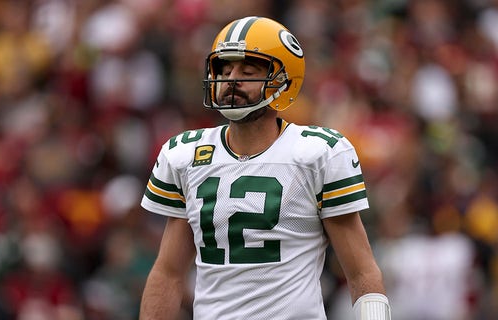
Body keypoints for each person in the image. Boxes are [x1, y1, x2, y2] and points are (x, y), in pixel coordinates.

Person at [139, 16, 391, 320]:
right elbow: (168, 273)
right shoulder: (185, 156)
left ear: (283, 81)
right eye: (225, 69)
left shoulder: (317, 153)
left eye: (248, 70)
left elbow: (362, 272)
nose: (232, 79)